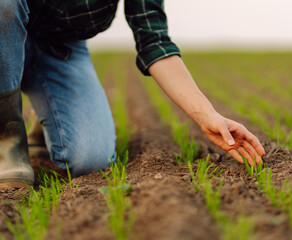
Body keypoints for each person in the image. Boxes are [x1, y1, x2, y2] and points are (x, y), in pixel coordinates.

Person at [0, 0, 265, 188]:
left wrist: (208, 115)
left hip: (59, 49)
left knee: (90, 160)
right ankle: (6, 142)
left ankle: (45, 115)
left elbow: (154, 42)